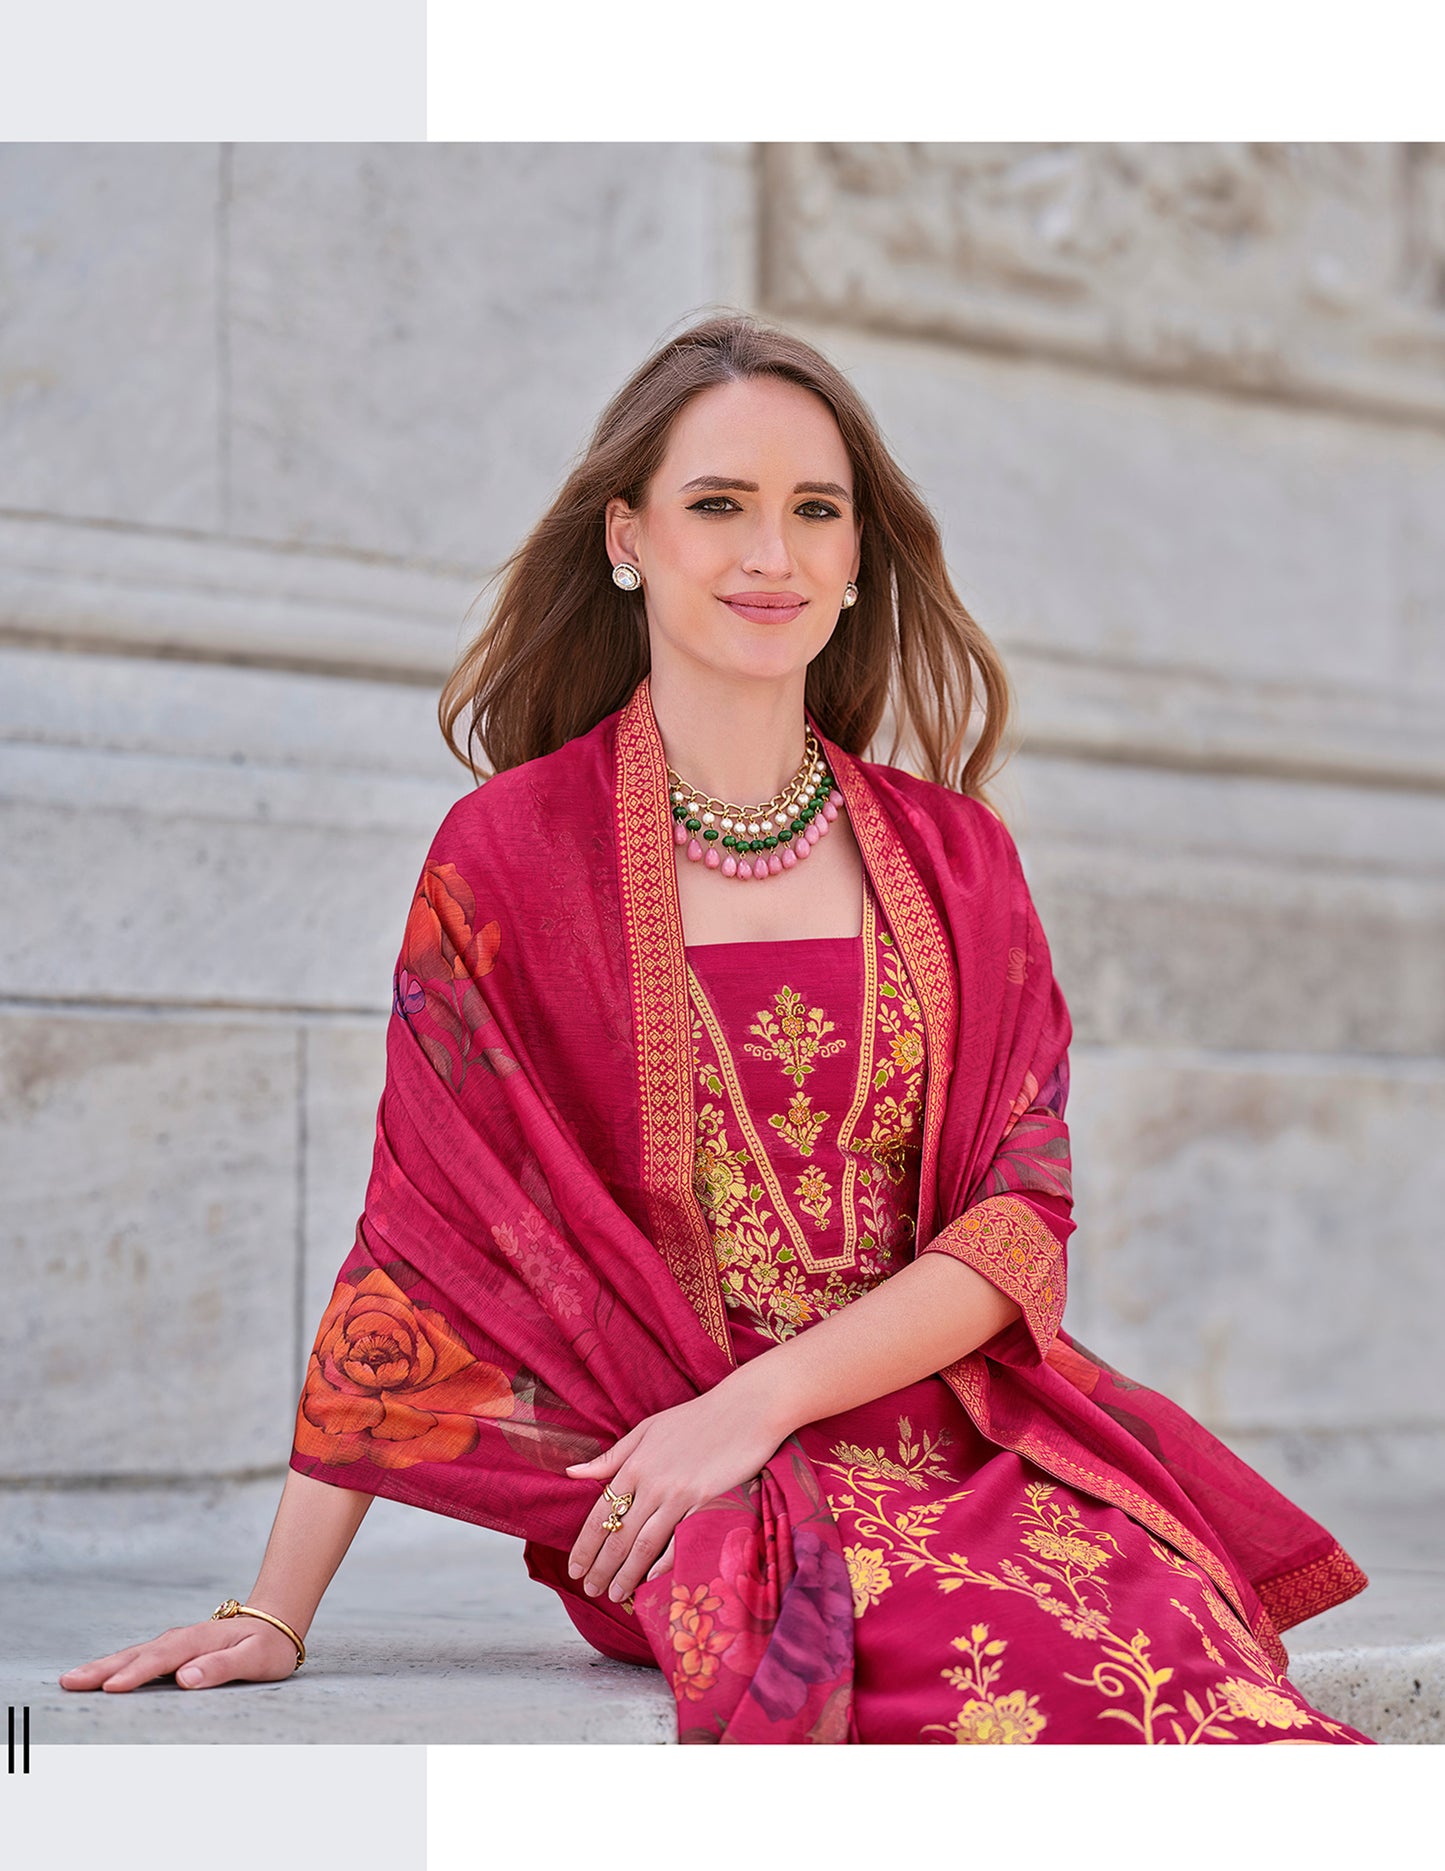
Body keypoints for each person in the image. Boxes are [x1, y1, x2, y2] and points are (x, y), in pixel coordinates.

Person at [61, 313, 1372, 1743]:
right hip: (680, 1488)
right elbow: (422, 1243)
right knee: (994, 1665)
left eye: (815, 511)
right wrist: (275, 1609)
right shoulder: (509, 856)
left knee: (1168, 1625)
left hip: (961, 1441)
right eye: (719, 506)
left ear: (861, 556)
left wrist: (757, 1403)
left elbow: (1015, 1226)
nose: (773, 554)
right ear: (625, 536)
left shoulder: (957, 860)